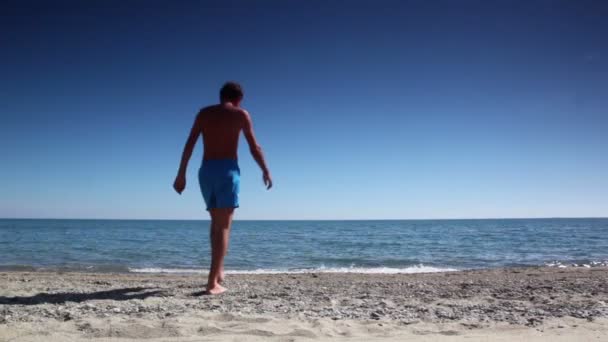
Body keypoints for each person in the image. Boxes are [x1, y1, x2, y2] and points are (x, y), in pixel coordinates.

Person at [173, 81, 272, 295]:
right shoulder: (240, 114)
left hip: (206, 171)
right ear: (238, 99)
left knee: (216, 224)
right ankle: (212, 283)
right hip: (227, 171)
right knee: (224, 227)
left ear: (221, 96)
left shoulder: (204, 113)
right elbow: (254, 146)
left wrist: (181, 174)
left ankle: (218, 272)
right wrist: (265, 169)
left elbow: (189, 144)